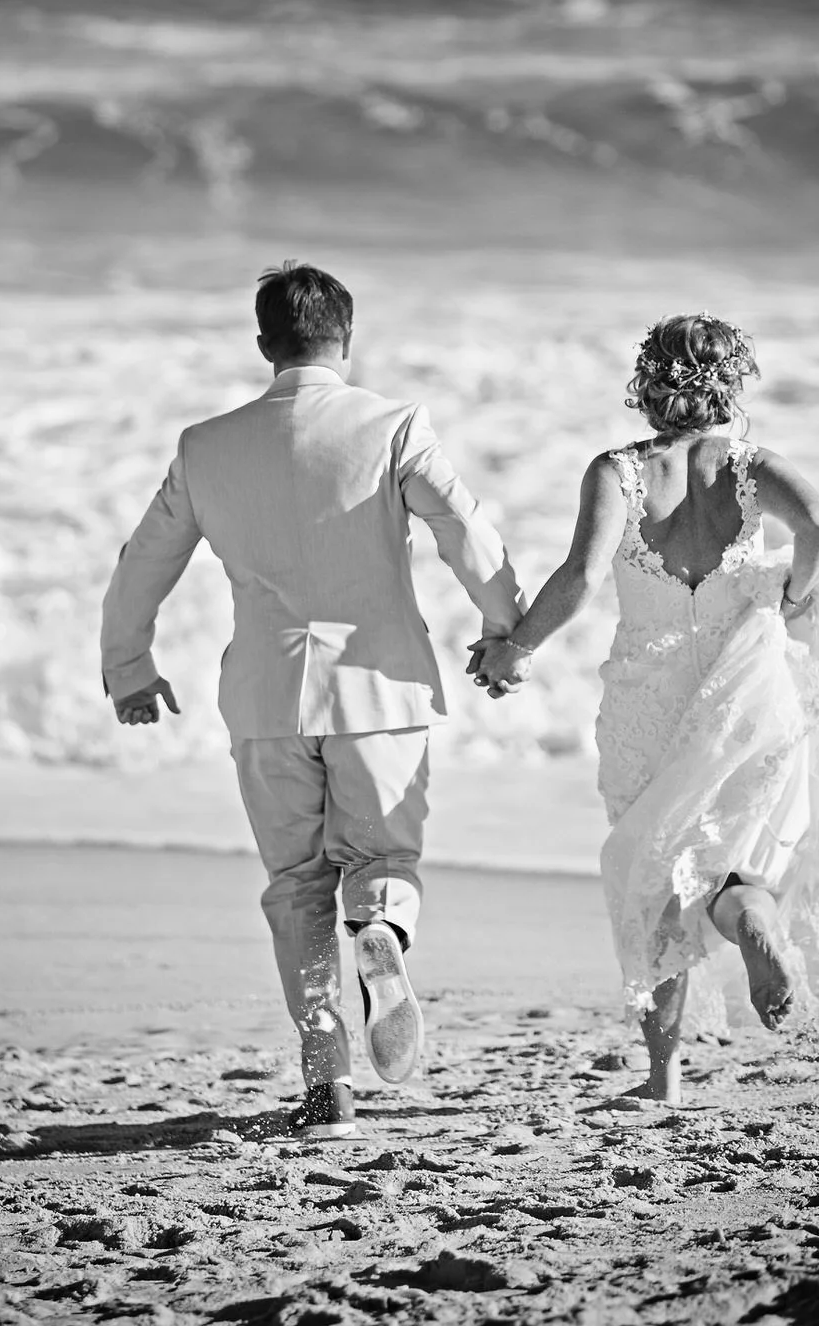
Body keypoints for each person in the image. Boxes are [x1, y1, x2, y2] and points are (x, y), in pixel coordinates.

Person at [101, 261, 525, 1138]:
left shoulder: (205, 445)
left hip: (263, 699)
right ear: (348, 336)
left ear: (264, 345)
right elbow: (463, 530)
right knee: (381, 862)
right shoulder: (393, 424)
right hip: (379, 689)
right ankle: (381, 933)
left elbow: (142, 563)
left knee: (296, 886)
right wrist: (504, 629)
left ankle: (326, 1083)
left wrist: (130, 668)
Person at [469, 313, 819, 1105]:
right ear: (730, 384)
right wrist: (789, 594)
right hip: (748, 685)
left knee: (655, 871)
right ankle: (753, 922)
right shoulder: (748, 467)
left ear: (647, 381)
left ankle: (662, 1077)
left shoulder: (617, 472)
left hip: (647, 692)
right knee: (734, 861)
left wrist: (516, 649)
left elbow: (578, 576)